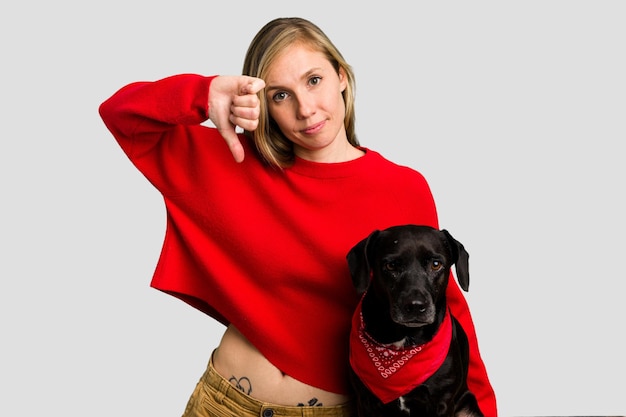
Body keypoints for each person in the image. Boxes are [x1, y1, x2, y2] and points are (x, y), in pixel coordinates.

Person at [99, 16, 497, 417]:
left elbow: (449, 312)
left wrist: (485, 409)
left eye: (313, 80)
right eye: (280, 95)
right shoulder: (230, 158)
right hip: (222, 405)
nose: (306, 109)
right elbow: (121, 115)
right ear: (262, 104)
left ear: (341, 76)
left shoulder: (403, 187)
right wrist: (203, 92)